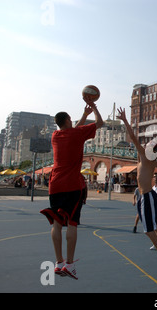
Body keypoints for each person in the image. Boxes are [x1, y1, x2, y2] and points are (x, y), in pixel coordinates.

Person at [40, 98, 103, 280]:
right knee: (72, 223)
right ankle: (70, 263)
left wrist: (84, 115)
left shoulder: (55, 136)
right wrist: (94, 108)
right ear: (68, 120)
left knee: (57, 224)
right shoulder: (77, 134)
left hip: (55, 185)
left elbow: (74, 131)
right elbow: (100, 123)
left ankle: (58, 263)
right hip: (72, 185)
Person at [116, 107, 157, 277]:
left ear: (150, 149)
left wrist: (125, 120)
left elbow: (133, 138)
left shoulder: (147, 155)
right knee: (155, 224)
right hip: (146, 196)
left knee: (149, 230)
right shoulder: (147, 158)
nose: (146, 144)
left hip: (148, 196)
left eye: (149, 145)